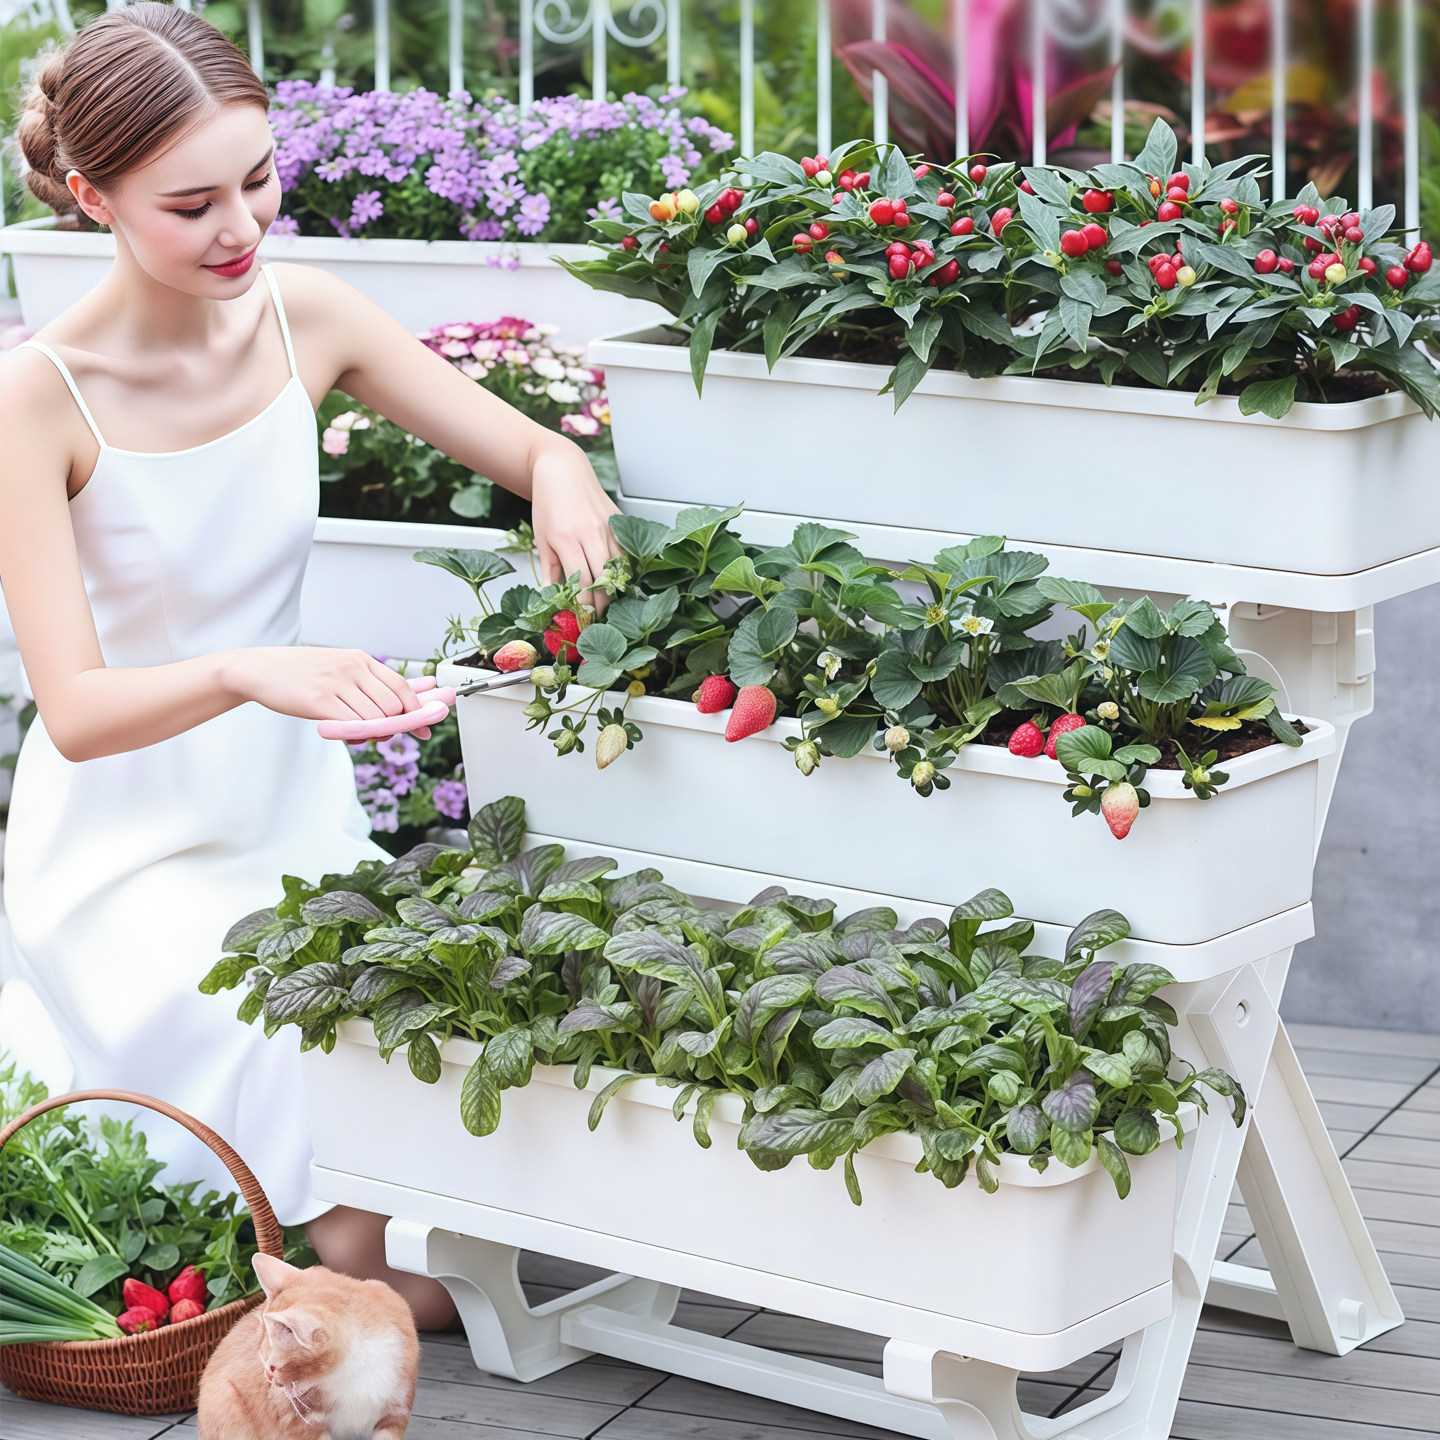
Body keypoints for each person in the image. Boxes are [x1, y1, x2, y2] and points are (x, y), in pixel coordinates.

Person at [0, 3, 619, 1329]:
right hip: (121, 846)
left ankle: (358, 1247)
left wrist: (562, 475)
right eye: (191, 203)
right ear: (94, 194)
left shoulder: (307, 317)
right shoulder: (38, 397)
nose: (242, 229)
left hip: (286, 808)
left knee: (394, 1003)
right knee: (284, 1019)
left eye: (261, 179)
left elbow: (529, 447)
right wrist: (246, 672)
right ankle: (346, 1266)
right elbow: (75, 710)